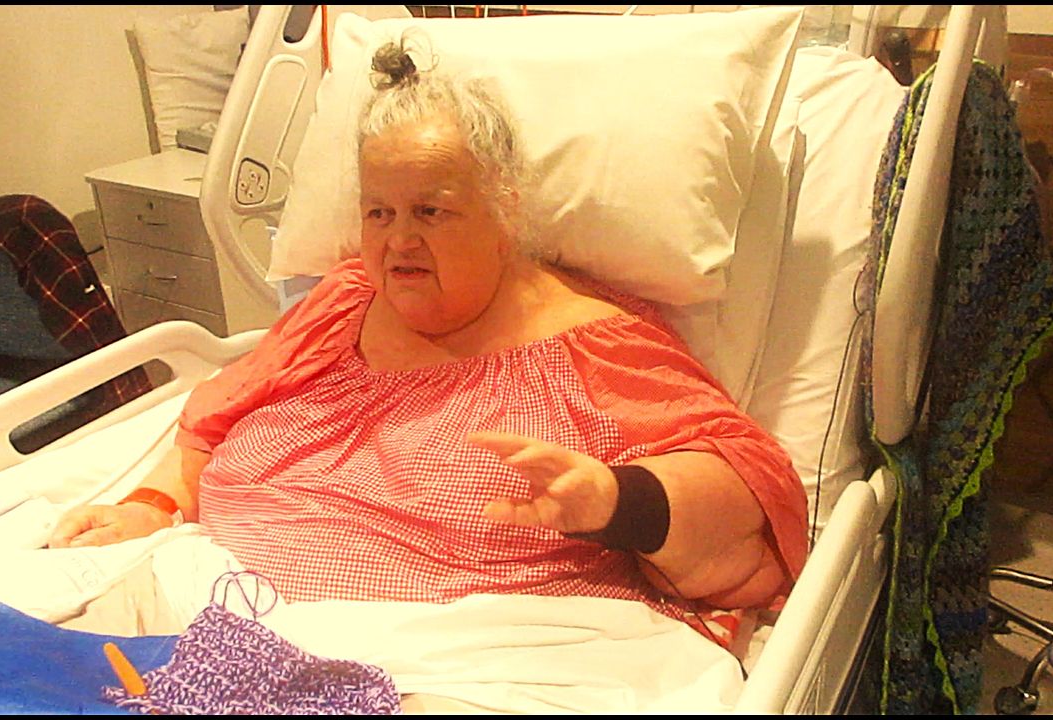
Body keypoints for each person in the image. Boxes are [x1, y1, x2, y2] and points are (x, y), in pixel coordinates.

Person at [48, 41, 809, 628]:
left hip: (435, 657)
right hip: (206, 602)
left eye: (431, 211)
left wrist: (618, 500)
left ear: (505, 208)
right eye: (379, 212)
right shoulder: (344, 303)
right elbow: (215, 418)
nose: (397, 241)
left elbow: (747, 495)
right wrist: (151, 505)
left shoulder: (594, 345)